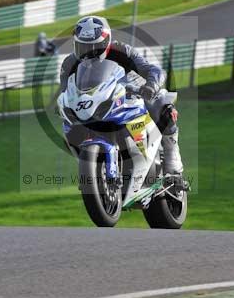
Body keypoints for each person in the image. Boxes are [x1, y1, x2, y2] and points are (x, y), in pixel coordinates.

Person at [60, 16, 187, 187]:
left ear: (106, 41)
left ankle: (173, 163)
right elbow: (65, 90)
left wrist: (150, 86)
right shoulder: (69, 63)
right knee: (68, 128)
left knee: (163, 104)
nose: (88, 51)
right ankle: (92, 169)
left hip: (128, 95)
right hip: (93, 105)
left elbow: (153, 70)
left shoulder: (122, 51)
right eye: (83, 46)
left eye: (94, 46)